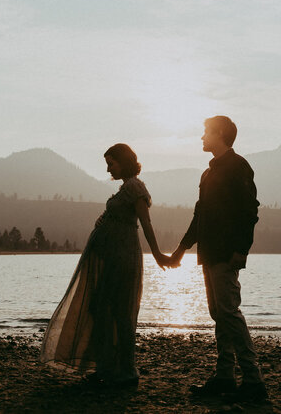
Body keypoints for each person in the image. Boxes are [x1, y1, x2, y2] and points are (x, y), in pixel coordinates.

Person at [40, 143, 170, 387]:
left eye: (112, 163)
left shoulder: (135, 186)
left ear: (125, 161)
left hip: (122, 259)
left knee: (118, 312)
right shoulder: (124, 189)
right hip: (112, 258)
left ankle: (124, 371)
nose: (109, 169)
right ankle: (107, 367)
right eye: (107, 164)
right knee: (102, 308)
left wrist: (158, 254)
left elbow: (146, 223)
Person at [168, 116, 268, 403]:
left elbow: (250, 211)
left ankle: (253, 379)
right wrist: (180, 250)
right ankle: (224, 375)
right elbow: (200, 216)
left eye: (206, 132)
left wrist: (242, 250)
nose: (201, 137)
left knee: (229, 313)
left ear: (220, 134)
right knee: (219, 314)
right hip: (209, 254)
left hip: (226, 253)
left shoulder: (239, 167)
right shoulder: (207, 173)